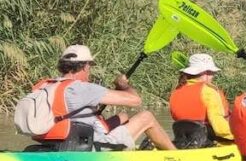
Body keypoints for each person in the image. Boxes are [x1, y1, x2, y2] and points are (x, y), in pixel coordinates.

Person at [27, 44, 175, 151]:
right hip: (90, 147)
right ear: (85, 67)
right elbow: (135, 101)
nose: (89, 72)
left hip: (55, 143)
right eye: (89, 67)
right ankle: (177, 156)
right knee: (146, 117)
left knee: (123, 116)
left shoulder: (46, 85)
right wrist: (123, 85)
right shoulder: (82, 88)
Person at [168, 53, 234, 148]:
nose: (213, 76)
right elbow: (220, 128)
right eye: (212, 73)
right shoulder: (209, 92)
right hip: (207, 142)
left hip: (182, 141)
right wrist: (241, 136)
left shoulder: (176, 91)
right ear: (205, 73)